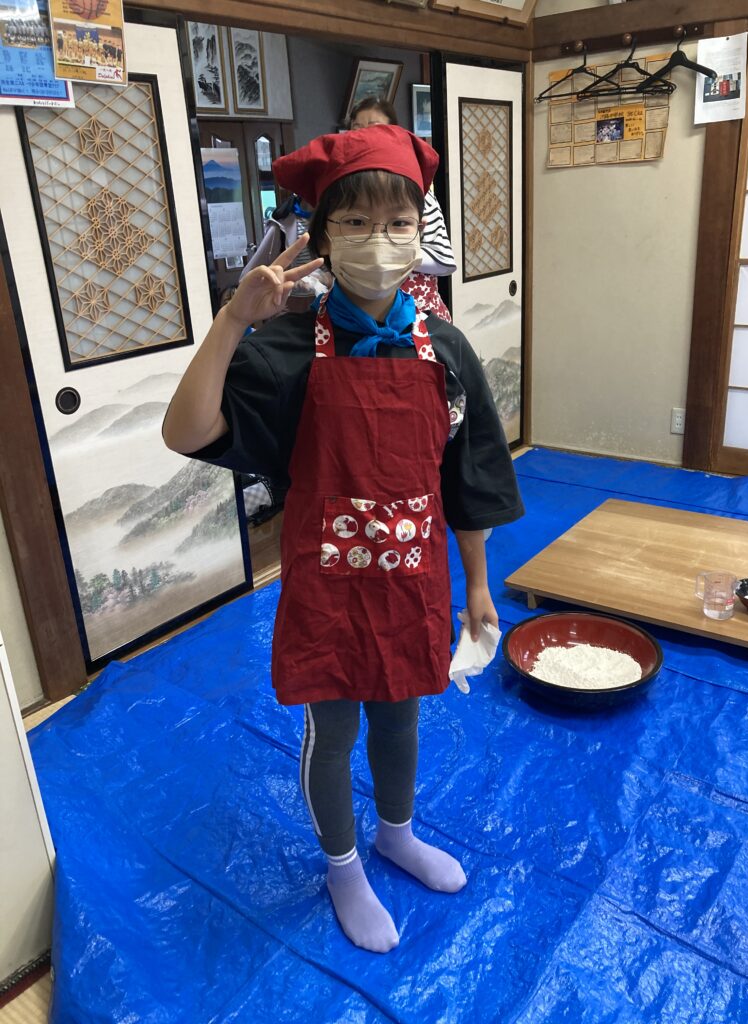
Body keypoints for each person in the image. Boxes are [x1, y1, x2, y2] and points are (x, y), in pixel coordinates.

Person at [163, 125, 523, 954]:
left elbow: (469, 478)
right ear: (322, 236)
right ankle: (342, 866)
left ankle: (397, 835)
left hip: (412, 580)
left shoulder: (446, 348)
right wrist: (231, 320)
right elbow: (187, 432)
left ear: (421, 232)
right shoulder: (288, 348)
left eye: (398, 223)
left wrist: (476, 584)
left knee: (401, 718)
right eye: (355, 223)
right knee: (335, 732)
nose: (379, 241)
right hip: (326, 586)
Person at [349, 96, 456, 322]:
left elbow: (444, 261)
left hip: (419, 314)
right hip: (360, 316)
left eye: (375, 128)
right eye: (357, 128)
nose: (365, 136)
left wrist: (396, 251)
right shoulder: (345, 193)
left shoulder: (416, 190)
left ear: (394, 134)